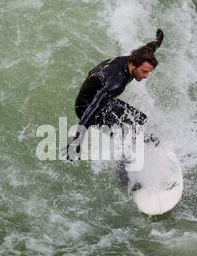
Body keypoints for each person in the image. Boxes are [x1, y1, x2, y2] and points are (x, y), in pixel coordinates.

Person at [64, 29, 164, 160]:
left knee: (141, 119)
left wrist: (158, 41)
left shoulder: (138, 57)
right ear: (133, 65)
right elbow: (92, 109)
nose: (146, 76)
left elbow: (150, 47)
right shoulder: (116, 83)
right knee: (122, 130)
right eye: (144, 72)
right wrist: (76, 141)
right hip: (86, 107)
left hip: (102, 98)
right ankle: (125, 158)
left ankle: (136, 142)